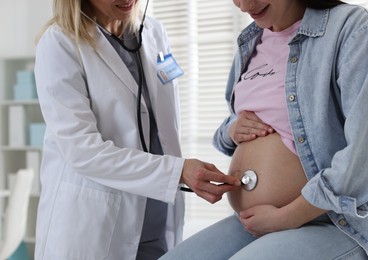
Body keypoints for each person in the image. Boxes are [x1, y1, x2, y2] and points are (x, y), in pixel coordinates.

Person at [160, 0, 368, 259]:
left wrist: (287, 217)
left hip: (334, 220)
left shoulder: (352, 27)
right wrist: (232, 130)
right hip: (255, 222)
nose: (245, 6)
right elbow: (238, 122)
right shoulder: (251, 42)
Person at [33, 0, 241, 259]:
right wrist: (178, 171)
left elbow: (165, 117)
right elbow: (82, 151)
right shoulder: (60, 43)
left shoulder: (153, 32)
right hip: (95, 225)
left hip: (156, 217)